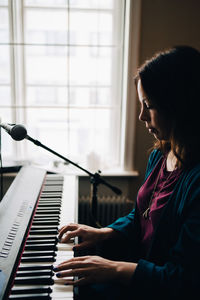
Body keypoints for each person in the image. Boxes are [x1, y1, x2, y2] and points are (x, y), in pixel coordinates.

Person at [53, 46, 200, 300]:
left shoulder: (196, 181)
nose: (142, 116)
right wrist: (104, 233)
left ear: (179, 106)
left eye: (149, 105)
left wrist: (113, 268)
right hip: (138, 272)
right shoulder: (160, 155)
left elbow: (183, 281)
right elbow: (141, 217)